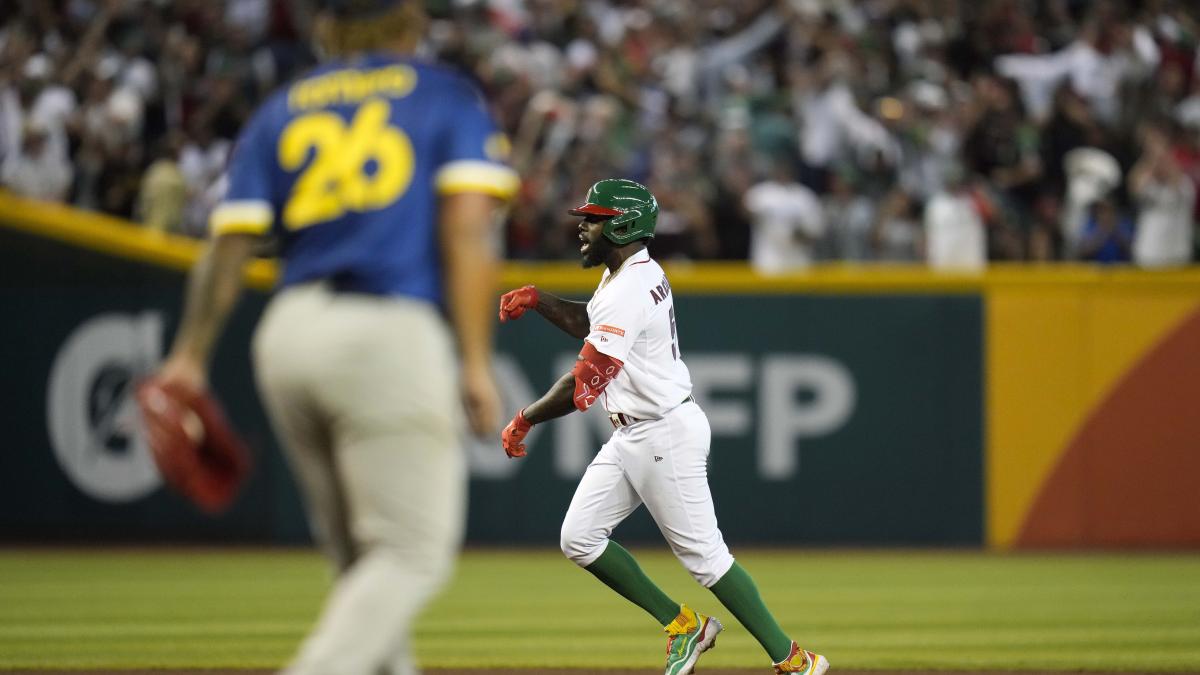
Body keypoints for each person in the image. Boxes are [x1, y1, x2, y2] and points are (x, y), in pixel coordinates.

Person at [151, 1, 518, 673]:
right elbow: (468, 230)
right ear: (411, 24)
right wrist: (474, 360)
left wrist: (190, 355)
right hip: (384, 331)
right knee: (412, 551)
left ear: (327, 29)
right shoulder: (443, 95)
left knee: (360, 565)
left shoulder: (284, 107)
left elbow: (228, 244)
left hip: (289, 334)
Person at [497, 178, 829, 675]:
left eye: (594, 219)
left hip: (661, 432)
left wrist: (525, 418)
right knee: (580, 538)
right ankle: (683, 626)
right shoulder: (628, 273)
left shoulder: (628, 286)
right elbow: (594, 323)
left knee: (707, 559)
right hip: (637, 430)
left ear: (624, 224)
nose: (583, 228)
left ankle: (793, 659)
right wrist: (540, 299)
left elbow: (586, 378)